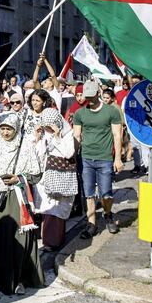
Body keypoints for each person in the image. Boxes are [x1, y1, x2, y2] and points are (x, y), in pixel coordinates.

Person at [0, 113, 45, 295]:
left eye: (9, 129)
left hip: (16, 198)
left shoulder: (25, 146)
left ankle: (20, 279)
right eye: (2, 128)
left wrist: (18, 178)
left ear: (16, 129)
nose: (5, 132)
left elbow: (36, 174)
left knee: (19, 240)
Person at [73, 80, 123, 238]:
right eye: (86, 96)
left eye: (92, 95)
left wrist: (118, 158)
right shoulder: (80, 113)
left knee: (106, 194)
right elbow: (76, 135)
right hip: (86, 157)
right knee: (89, 194)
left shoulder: (111, 111)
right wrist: (73, 155)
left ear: (98, 93)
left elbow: (117, 134)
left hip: (105, 158)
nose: (89, 99)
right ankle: (91, 223)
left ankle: (107, 214)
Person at [32, 108, 78, 251]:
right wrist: (38, 138)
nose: (48, 129)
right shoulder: (45, 134)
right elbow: (38, 155)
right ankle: (48, 242)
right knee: (48, 209)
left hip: (62, 175)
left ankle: (54, 242)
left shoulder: (68, 134)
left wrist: (58, 136)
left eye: (49, 126)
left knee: (58, 209)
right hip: (47, 175)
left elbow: (68, 153)